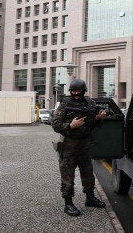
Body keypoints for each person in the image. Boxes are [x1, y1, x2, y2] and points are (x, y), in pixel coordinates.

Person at [51, 78, 107, 217]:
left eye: (78, 91)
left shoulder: (90, 103)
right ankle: (68, 203)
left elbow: (92, 125)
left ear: (83, 91)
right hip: (68, 146)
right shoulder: (65, 103)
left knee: (88, 173)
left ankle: (90, 198)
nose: (76, 93)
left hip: (84, 145)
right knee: (67, 175)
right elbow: (55, 124)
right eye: (73, 91)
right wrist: (70, 126)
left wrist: (98, 119)